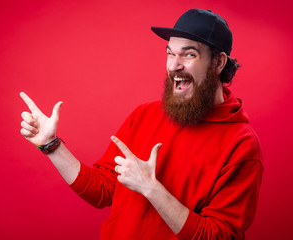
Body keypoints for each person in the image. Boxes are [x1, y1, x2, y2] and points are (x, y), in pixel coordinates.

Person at [20, 8, 263, 239]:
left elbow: (218, 235)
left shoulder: (241, 144)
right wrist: (51, 145)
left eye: (189, 54)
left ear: (219, 63)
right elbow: (103, 191)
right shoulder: (145, 114)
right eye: (170, 53)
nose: (174, 65)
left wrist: (152, 189)